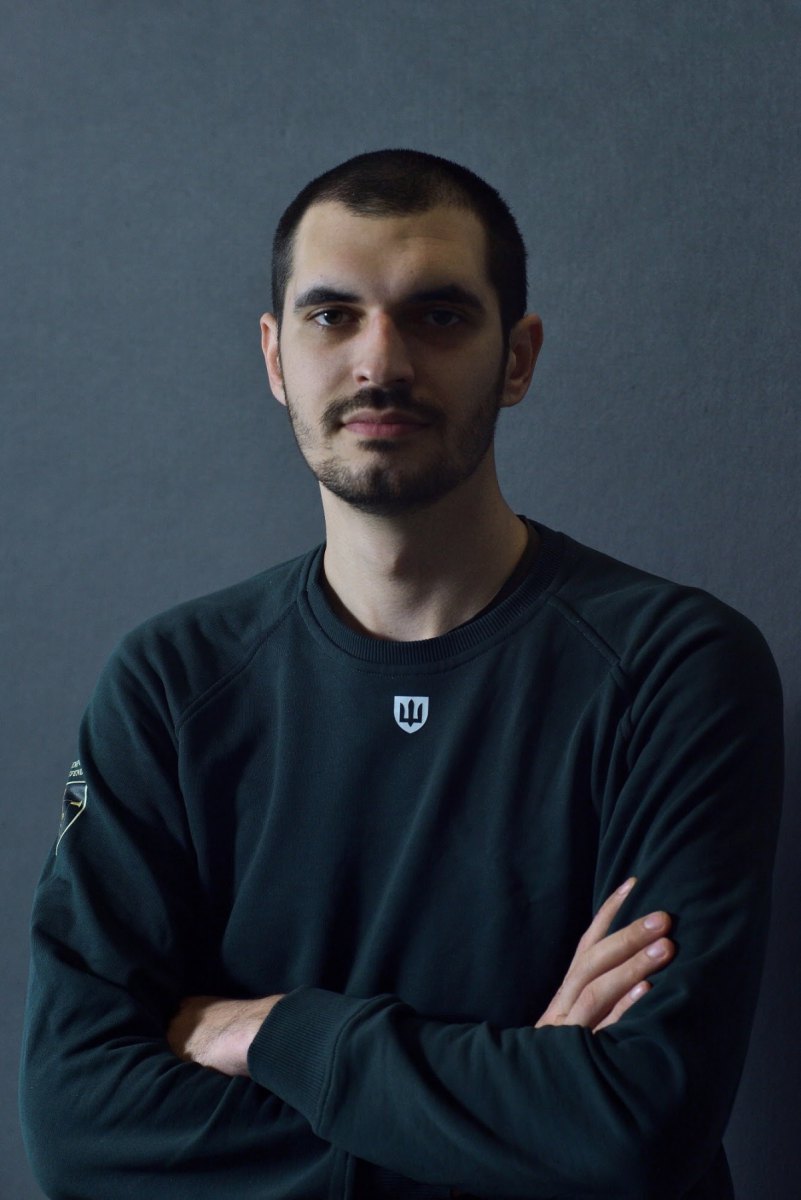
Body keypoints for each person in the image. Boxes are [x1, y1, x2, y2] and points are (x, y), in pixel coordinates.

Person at [20, 150, 783, 1200]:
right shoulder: (169, 686)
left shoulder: (673, 668)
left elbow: (636, 1130)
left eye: (439, 316)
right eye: (332, 316)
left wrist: (277, 1033)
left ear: (517, 359)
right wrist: (521, 1115)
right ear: (276, 357)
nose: (380, 362)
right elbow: (78, 1129)